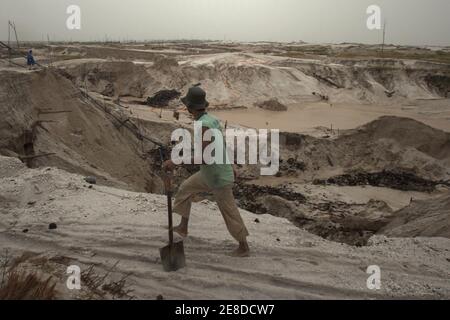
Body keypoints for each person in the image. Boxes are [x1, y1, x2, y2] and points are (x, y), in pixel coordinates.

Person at [162, 85, 250, 257]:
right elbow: (220, 146)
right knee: (185, 189)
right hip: (210, 172)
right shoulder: (212, 120)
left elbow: (204, 157)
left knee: (229, 211)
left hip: (217, 176)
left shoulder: (203, 125)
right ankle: (183, 227)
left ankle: (243, 246)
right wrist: (231, 165)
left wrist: (175, 162)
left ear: (189, 107)